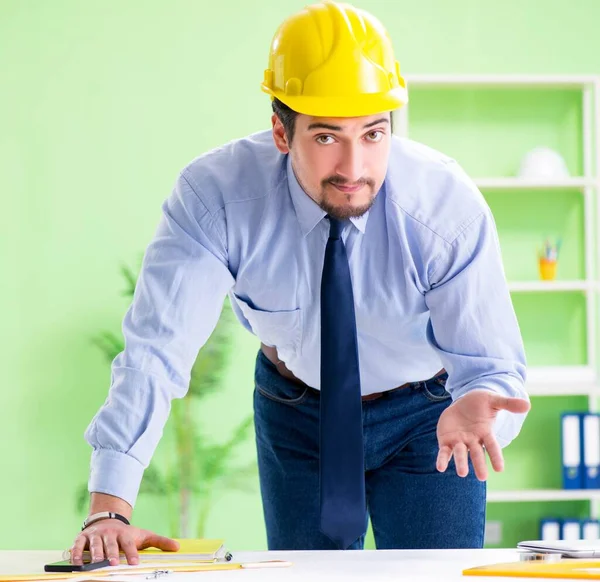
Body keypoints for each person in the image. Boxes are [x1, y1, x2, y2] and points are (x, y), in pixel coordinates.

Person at [70, 0, 531, 565]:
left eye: (373, 133)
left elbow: (491, 368)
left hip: (429, 418)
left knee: (433, 577)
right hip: (296, 409)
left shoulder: (444, 210)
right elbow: (156, 349)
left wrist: (481, 401)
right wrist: (110, 505)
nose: (355, 167)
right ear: (281, 133)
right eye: (326, 137)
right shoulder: (216, 199)